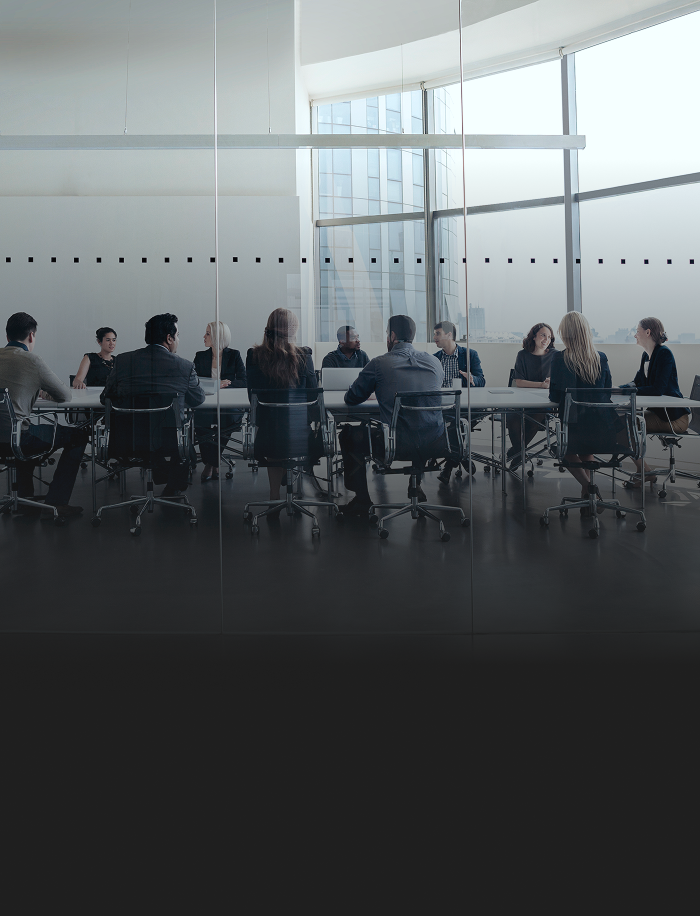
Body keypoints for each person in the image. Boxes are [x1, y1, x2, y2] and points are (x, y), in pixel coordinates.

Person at [339, 314, 447, 515]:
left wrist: (378, 391)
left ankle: (362, 500)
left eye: (387, 334)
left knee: (349, 435)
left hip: (396, 443)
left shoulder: (380, 363)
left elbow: (351, 398)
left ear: (393, 336)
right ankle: (415, 483)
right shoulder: (434, 362)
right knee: (421, 422)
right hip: (435, 441)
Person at [101, 313, 205, 497]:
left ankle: (165, 479)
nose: (178, 339)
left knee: (153, 433)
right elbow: (197, 399)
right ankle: (172, 488)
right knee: (181, 436)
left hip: (127, 439)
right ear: (169, 338)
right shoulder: (184, 366)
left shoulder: (123, 361)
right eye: (178, 335)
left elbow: (106, 397)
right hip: (169, 441)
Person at [0, 312, 89, 516]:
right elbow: (65, 396)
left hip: (4, 437)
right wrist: (43, 391)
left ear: (7, 337)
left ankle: (24, 498)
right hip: (19, 439)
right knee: (78, 435)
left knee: (23, 433)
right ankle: (57, 502)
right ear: (31, 336)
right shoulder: (32, 360)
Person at [246, 308, 317, 501]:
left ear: (268, 328)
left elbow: (252, 398)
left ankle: (274, 494)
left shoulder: (254, 356)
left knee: (276, 439)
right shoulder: (304, 356)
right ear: (294, 331)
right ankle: (293, 487)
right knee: (288, 436)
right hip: (300, 435)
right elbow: (313, 395)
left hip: (267, 436)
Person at [549, 312, 612, 514]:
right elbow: (607, 390)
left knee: (566, 449)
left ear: (566, 334)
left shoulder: (560, 358)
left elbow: (555, 395)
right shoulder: (600, 358)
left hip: (573, 423)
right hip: (600, 425)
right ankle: (589, 496)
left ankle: (588, 487)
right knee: (586, 449)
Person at [628, 316, 691, 486]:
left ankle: (645, 472)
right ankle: (644, 471)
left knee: (626, 424)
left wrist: (630, 390)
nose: (635, 335)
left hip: (674, 419)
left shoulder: (664, 354)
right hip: (660, 414)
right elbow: (637, 382)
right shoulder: (646, 355)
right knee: (624, 420)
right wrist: (616, 389)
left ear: (647, 332)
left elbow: (658, 389)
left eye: (637, 331)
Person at [432, 320, 484, 484]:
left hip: (465, 405)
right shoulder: (434, 359)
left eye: (437, 333)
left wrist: (472, 378)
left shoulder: (470, 354)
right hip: (442, 405)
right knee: (456, 425)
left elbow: (482, 381)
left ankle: (449, 465)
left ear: (449, 335)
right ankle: (462, 456)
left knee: (457, 424)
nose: (434, 337)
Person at [193, 321, 246, 482]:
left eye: (207, 333)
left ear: (218, 336)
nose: (204, 336)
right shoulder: (200, 356)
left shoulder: (234, 355)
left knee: (226, 419)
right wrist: (216, 384)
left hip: (228, 404)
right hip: (207, 403)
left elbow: (244, 381)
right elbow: (193, 381)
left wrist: (226, 384)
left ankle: (210, 464)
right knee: (201, 421)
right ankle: (214, 463)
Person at [505, 322, 556, 468]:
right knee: (511, 417)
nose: (546, 340)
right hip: (521, 400)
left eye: (549, 337)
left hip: (544, 402)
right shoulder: (522, 355)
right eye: (543, 335)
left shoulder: (556, 355)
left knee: (537, 417)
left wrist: (553, 382)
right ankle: (519, 452)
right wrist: (541, 384)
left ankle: (516, 453)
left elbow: (562, 379)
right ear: (534, 337)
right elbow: (519, 382)